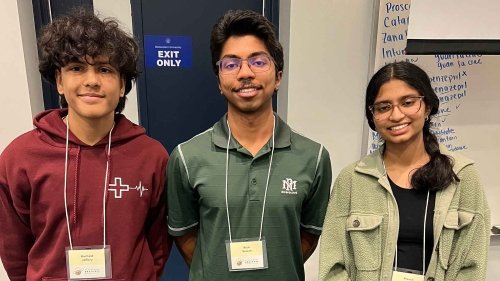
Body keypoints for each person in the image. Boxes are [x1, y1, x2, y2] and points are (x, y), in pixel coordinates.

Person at [0, 9, 171, 281]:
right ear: (59, 81)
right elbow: (14, 249)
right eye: (77, 68)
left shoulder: (152, 157)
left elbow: (158, 243)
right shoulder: (20, 158)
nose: (91, 80)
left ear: (122, 84)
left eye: (105, 69)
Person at [167, 9, 332, 281]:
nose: (245, 73)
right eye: (231, 64)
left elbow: (308, 235)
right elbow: (185, 237)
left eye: (258, 61)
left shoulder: (313, 158)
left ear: (278, 76)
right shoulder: (186, 157)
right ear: (220, 81)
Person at [319, 61, 490, 281]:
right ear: (372, 116)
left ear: (427, 106)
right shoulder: (352, 180)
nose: (396, 115)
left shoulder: (463, 176)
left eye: (408, 102)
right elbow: (333, 265)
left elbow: (473, 267)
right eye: (383, 107)